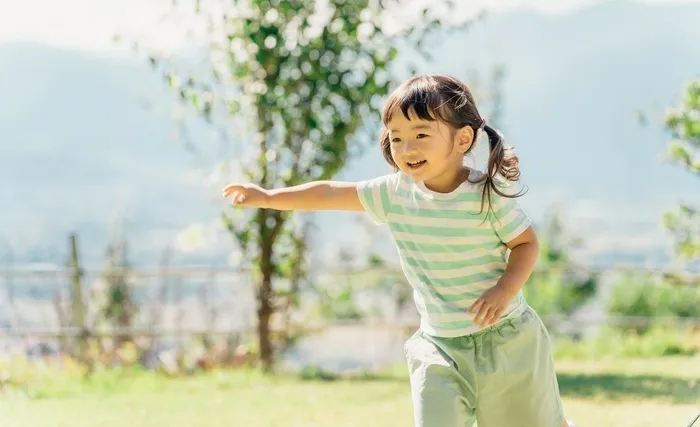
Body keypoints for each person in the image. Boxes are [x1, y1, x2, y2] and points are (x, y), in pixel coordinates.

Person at [222, 74, 575, 427]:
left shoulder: (486, 194)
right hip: (440, 346)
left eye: (421, 134)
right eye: (396, 138)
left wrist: (504, 290)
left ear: (462, 139)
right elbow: (330, 193)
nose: (407, 148)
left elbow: (526, 244)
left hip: (506, 340)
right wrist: (268, 198)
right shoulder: (394, 193)